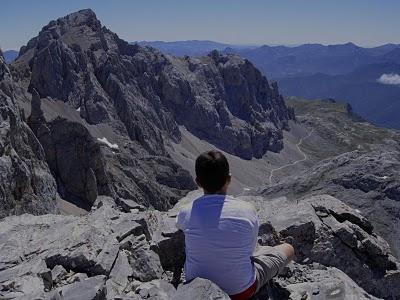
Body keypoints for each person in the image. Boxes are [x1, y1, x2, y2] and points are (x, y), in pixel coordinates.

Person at [176, 150, 294, 299]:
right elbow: (250, 252)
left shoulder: (186, 212)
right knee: (288, 248)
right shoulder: (247, 210)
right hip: (241, 291)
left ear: (198, 182)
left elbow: (179, 226)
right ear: (229, 179)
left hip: (196, 287)